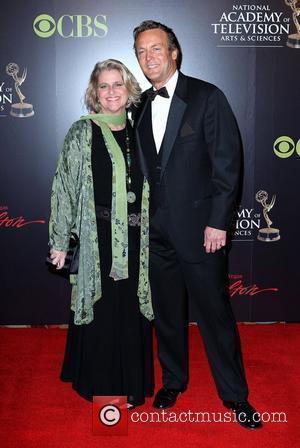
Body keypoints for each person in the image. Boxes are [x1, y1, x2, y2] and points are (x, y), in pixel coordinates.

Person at [133, 20, 261, 429]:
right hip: (155, 233)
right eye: (141, 52)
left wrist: (219, 222)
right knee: (167, 314)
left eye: (156, 49)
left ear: (174, 52)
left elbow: (228, 163)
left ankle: (235, 395)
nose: (148, 58)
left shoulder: (207, 97)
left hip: (202, 231)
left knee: (215, 315)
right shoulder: (138, 107)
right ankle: (173, 381)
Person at [48, 59, 154, 408]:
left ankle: (133, 383)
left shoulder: (142, 128)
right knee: (105, 312)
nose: (111, 92)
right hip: (99, 239)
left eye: (118, 84)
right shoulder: (83, 131)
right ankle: (106, 388)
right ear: (95, 93)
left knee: (132, 312)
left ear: (129, 89)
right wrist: (60, 242)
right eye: (104, 86)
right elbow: (65, 187)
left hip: (139, 240)